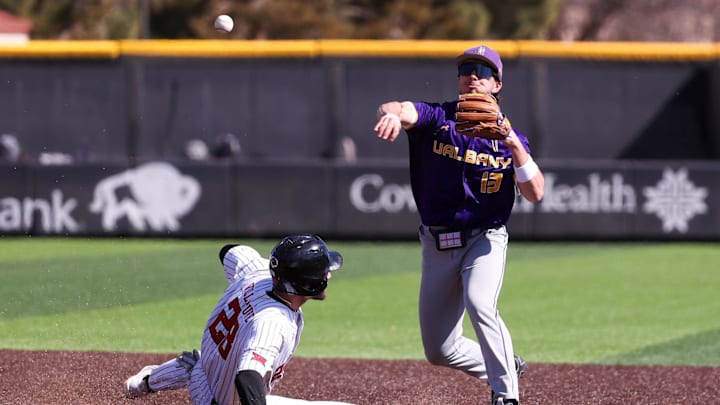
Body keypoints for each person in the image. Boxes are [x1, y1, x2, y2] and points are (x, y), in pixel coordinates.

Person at [372, 45, 544, 405]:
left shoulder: (509, 140)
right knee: (439, 349)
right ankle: (505, 365)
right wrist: (389, 114)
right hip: (437, 243)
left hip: (485, 237)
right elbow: (399, 109)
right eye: (466, 69)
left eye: (483, 72)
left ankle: (506, 394)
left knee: (480, 302)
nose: (472, 76)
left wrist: (512, 142)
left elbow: (536, 192)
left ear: (497, 85)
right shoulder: (438, 119)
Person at [124, 234, 354, 405]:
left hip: (203, 375)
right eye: (324, 272)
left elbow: (230, 251)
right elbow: (247, 376)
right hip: (226, 401)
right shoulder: (273, 321)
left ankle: (145, 382)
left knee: (203, 364)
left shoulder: (258, 273)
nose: (329, 275)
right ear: (307, 283)